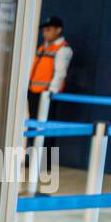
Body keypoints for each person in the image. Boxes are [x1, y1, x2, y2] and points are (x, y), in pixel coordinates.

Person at [28, 16, 72, 175]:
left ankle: (46, 163)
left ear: (58, 30)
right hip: (34, 92)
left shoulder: (63, 49)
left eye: (48, 29)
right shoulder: (44, 47)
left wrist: (49, 94)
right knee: (35, 126)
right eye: (44, 30)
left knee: (47, 128)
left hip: (47, 96)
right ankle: (35, 158)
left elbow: (60, 74)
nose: (45, 33)